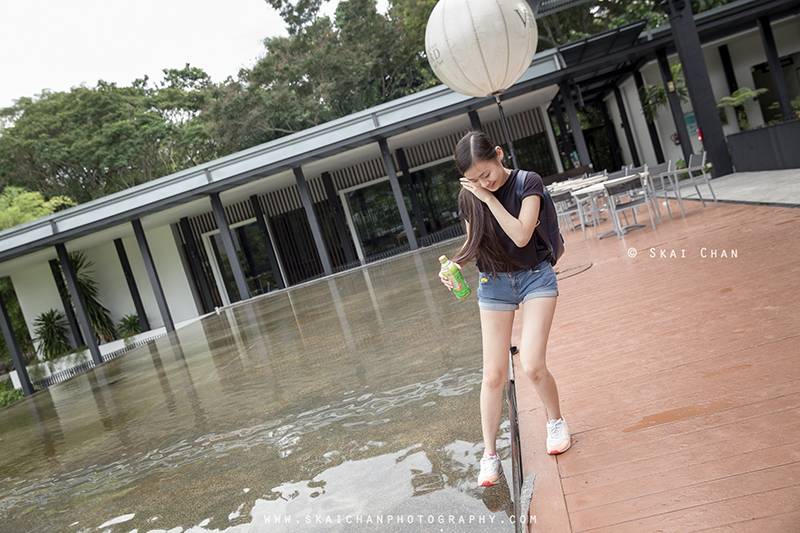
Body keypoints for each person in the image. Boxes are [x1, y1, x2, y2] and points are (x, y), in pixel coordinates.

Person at [440, 130, 570, 488]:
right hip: (494, 283)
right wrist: (453, 266)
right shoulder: (469, 197)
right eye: (474, 178)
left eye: (487, 173)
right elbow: (473, 242)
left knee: (531, 363)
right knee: (493, 375)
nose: (483, 182)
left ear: (499, 154)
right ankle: (490, 454)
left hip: (536, 278)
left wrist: (488, 197)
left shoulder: (529, 182)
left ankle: (555, 420)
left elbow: (521, 235)